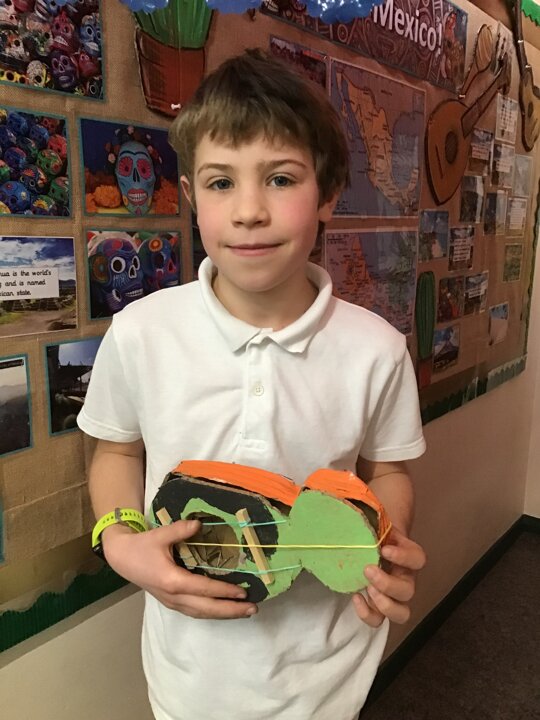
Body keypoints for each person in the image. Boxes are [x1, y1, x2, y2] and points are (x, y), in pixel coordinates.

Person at [77, 49, 426, 720]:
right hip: (189, 672)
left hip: (329, 670)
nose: (248, 211)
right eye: (220, 182)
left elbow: (388, 470)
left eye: (280, 179)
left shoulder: (377, 349)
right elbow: (117, 451)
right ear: (191, 197)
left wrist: (382, 542)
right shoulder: (141, 332)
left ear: (327, 194)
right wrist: (120, 541)